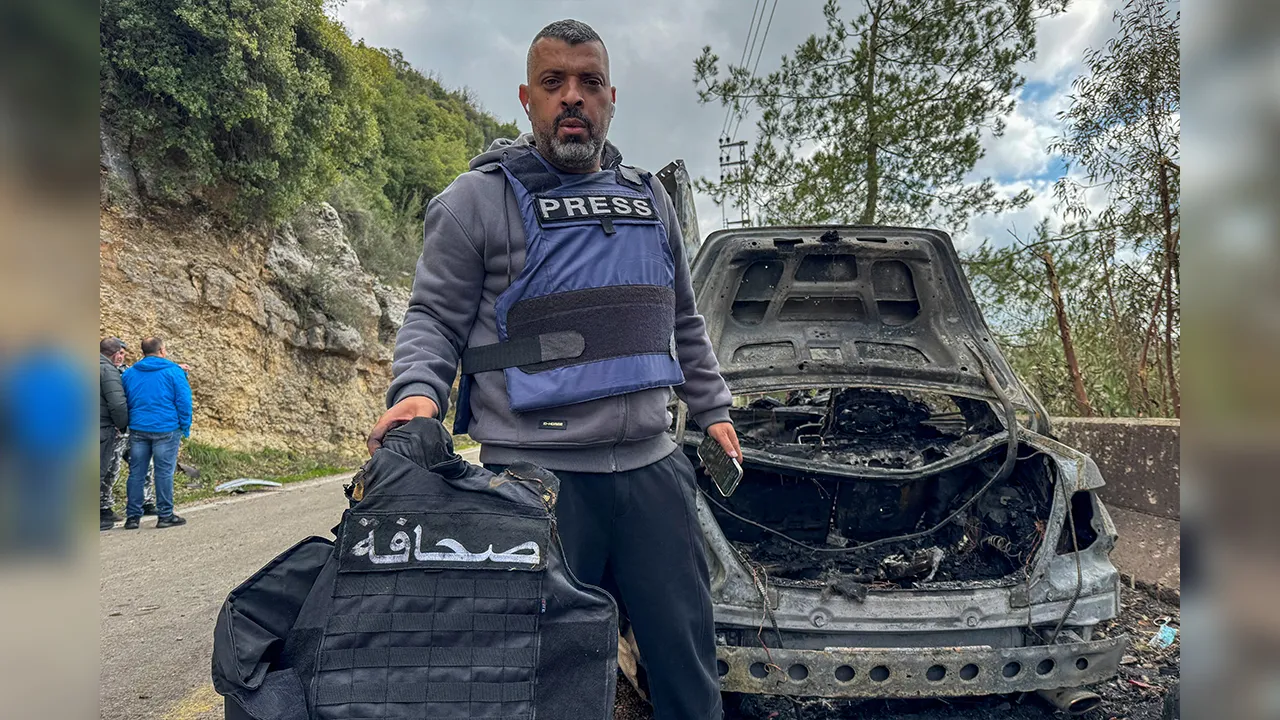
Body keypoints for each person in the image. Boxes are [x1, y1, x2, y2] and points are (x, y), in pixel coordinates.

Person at [367, 19, 740, 720]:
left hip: (653, 472)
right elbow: (433, 318)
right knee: (541, 677)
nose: (573, 97)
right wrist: (417, 394)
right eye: (554, 84)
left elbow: (682, 320)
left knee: (687, 666)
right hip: (535, 481)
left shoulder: (651, 199)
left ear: (610, 98)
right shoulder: (473, 201)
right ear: (527, 99)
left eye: (589, 84)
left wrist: (714, 410)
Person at [121, 336, 191, 529]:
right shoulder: (174, 372)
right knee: (164, 473)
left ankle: (133, 517)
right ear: (162, 350)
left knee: (136, 473)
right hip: (166, 428)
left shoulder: (129, 374)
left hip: (138, 428)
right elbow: (184, 402)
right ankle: (165, 515)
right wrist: (185, 426)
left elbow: (124, 400)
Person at [99, 337, 130, 529]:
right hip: (102, 428)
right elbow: (117, 404)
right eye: (122, 353)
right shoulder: (107, 370)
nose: (123, 356)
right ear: (115, 353)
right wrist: (122, 425)